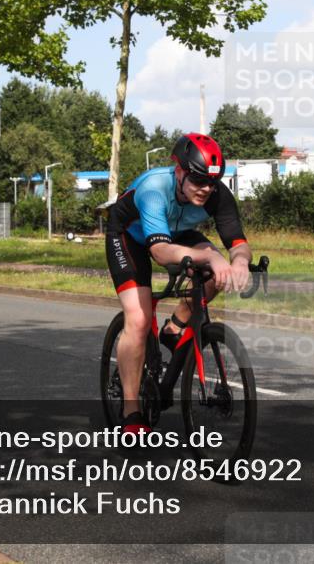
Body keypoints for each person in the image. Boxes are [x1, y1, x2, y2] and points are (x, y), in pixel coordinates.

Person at [105, 133, 252, 435]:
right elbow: (159, 252)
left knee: (218, 271)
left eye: (212, 182)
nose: (206, 189)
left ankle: (174, 326)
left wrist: (238, 262)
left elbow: (238, 242)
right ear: (180, 171)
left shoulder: (216, 193)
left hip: (177, 233)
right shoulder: (154, 190)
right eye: (198, 181)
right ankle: (132, 412)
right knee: (139, 318)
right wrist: (210, 257)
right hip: (129, 236)